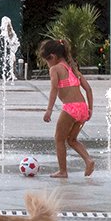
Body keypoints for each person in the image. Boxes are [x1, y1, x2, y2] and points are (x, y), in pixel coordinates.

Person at [39, 38, 95, 178]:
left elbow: (54, 89)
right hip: (82, 108)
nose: (47, 64)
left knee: (59, 139)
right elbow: (88, 89)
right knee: (71, 140)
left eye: (47, 60)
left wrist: (49, 110)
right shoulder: (72, 68)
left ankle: (63, 171)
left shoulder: (55, 69)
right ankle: (88, 160)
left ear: (52, 56)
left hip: (70, 109)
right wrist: (90, 109)